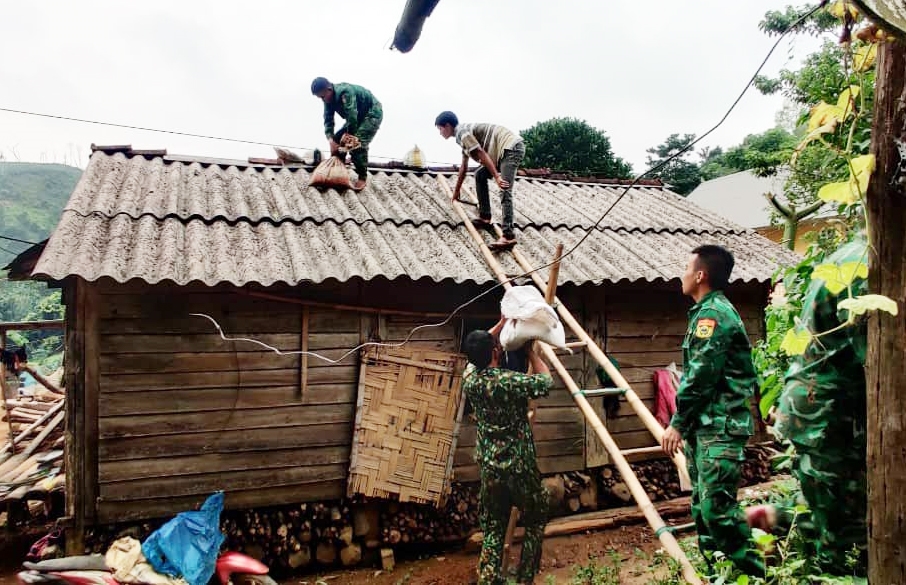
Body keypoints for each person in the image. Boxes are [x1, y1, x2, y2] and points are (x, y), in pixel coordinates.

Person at [747, 236, 868, 573]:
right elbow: (877, 357)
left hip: (820, 403)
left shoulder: (855, 254)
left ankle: (770, 518)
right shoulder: (869, 267)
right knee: (839, 519)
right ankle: (829, 574)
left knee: (839, 498)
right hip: (828, 409)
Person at [661, 244, 764, 575]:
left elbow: (701, 377)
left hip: (720, 427)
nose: (683, 273)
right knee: (703, 512)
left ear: (700, 275)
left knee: (717, 511)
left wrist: (677, 423)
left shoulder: (714, 315)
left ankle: (760, 573)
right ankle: (718, 575)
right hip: (704, 428)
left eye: (687, 267)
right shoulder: (703, 312)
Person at [462, 322, 552, 584]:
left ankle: (489, 579)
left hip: (490, 467)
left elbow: (476, 353)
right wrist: (531, 352)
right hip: (519, 466)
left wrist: (500, 324)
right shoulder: (508, 381)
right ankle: (525, 578)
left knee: (493, 526)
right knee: (535, 517)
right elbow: (545, 382)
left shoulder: (470, 378)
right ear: (494, 352)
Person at [435, 112, 524, 250]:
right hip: (502, 151)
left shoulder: (461, 132)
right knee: (480, 175)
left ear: (447, 126)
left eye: (440, 129)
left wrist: (497, 177)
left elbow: (481, 153)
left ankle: (508, 235)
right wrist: (456, 191)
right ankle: (485, 216)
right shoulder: (462, 139)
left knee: (504, 188)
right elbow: (463, 168)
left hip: (510, 149)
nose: (440, 133)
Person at [311, 77, 383, 192]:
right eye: (320, 98)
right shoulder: (327, 100)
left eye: (323, 96)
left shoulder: (345, 92)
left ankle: (362, 176)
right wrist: (331, 141)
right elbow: (328, 120)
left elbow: (352, 117)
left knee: (356, 144)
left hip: (371, 114)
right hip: (356, 118)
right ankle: (339, 171)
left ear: (329, 89)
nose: (322, 100)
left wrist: (347, 140)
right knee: (336, 140)